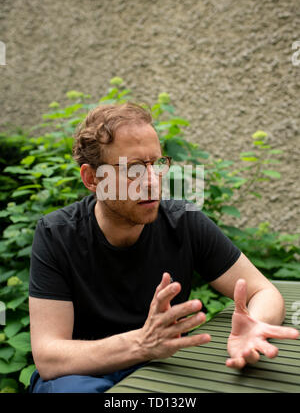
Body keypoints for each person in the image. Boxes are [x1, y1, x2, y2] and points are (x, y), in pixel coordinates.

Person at [28, 102, 298, 393]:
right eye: (132, 169)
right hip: (83, 372)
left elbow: (263, 290)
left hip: (161, 365)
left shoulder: (183, 221)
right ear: (92, 179)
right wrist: (142, 343)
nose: (152, 181)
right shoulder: (57, 234)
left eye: (156, 164)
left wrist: (255, 324)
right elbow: (49, 358)